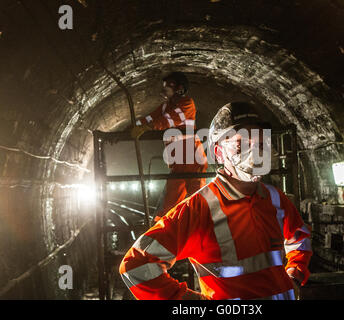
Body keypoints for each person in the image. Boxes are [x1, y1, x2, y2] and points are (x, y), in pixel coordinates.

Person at [119, 101, 312, 300]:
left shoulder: (275, 199)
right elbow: (135, 266)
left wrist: (294, 275)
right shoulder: (199, 209)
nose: (255, 150)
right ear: (219, 152)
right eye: (242, 143)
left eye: (260, 142)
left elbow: (300, 239)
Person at [131, 72, 208, 222]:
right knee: (170, 202)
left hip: (193, 159)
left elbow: (170, 119)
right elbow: (150, 117)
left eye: (169, 85)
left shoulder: (187, 103)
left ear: (179, 88)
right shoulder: (166, 106)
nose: (164, 88)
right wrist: (132, 127)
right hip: (178, 162)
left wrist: (148, 127)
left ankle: (202, 228)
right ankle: (164, 229)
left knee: (197, 199)